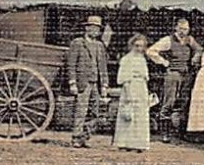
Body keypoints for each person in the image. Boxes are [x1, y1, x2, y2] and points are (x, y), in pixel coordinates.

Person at [146, 18, 202, 143]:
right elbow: (150, 51)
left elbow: (199, 49)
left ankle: (179, 133)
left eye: (186, 29)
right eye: (181, 29)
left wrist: (195, 57)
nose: (183, 31)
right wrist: (163, 62)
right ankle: (165, 133)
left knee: (182, 103)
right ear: (176, 28)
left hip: (186, 75)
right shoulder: (168, 40)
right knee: (168, 102)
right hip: (173, 74)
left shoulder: (190, 40)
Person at [65, 14, 111, 148]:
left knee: (95, 112)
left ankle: (84, 136)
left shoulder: (99, 46)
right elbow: (71, 64)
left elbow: (103, 66)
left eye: (97, 29)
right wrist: (72, 82)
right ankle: (76, 138)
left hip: (95, 83)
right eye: (92, 28)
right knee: (81, 111)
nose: (95, 31)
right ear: (86, 28)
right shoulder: (77, 43)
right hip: (82, 83)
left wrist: (104, 85)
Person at [114, 34, 153, 152]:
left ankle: (139, 143)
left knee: (140, 116)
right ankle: (124, 143)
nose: (139, 49)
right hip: (130, 87)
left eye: (142, 46)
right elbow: (123, 78)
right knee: (128, 114)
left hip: (141, 88)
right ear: (131, 45)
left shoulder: (142, 59)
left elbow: (146, 77)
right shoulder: (126, 59)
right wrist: (128, 94)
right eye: (136, 46)